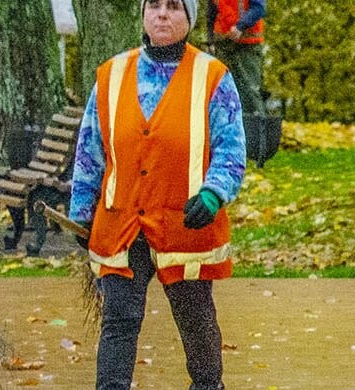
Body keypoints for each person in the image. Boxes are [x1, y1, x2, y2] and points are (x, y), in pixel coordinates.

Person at [69, 0, 246, 388]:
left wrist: (214, 193)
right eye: (154, 5)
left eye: (174, 7)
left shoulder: (212, 76)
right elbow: (89, 150)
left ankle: (207, 385)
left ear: (190, 18)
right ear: (143, 14)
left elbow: (231, 149)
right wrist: (81, 211)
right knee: (119, 318)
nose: (162, 14)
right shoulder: (112, 74)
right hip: (121, 223)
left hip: (185, 220)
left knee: (195, 317)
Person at [208, 0, 266, 117]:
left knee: (249, 90)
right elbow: (211, 13)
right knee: (222, 89)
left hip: (247, 44)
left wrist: (240, 26)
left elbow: (259, 8)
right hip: (223, 44)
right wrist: (211, 41)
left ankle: (254, 130)